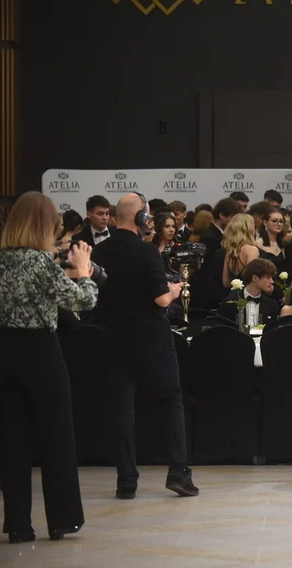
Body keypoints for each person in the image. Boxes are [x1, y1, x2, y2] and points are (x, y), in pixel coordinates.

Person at [0, 192, 97, 543]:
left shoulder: (1, 262)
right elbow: (83, 300)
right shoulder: (40, 263)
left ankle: (17, 523)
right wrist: (84, 271)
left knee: (13, 440)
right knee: (56, 436)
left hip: (4, 352)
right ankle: (62, 520)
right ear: (45, 224)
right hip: (40, 352)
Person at [91, 193, 196, 499]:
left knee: (122, 410)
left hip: (113, 340)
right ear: (140, 218)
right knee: (171, 401)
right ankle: (178, 471)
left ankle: (126, 481)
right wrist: (174, 290)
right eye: (147, 215)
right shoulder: (147, 251)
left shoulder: (100, 251)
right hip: (151, 340)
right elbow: (160, 299)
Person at [218, 258, 280, 326]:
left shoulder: (272, 306)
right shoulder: (229, 304)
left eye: (271, 278)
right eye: (268, 277)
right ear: (254, 278)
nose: (272, 281)